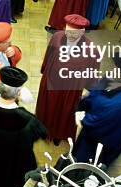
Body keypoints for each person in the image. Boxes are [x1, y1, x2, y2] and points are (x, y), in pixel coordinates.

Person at [36, 14, 99, 145]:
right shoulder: (57, 37)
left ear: (82, 32)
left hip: (70, 90)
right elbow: (48, 56)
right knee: (48, 107)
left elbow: (91, 72)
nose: (69, 35)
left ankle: (59, 134)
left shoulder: (91, 49)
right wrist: (44, 70)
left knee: (64, 112)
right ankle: (44, 129)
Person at [73, 54, 121, 167]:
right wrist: (83, 104)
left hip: (98, 146)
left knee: (81, 169)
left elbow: (98, 126)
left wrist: (83, 117)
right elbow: (95, 91)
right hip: (88, 133)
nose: (115, 70)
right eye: (116, 66)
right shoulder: (111, 77)